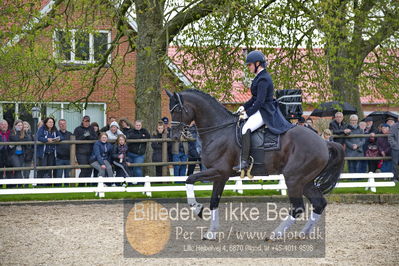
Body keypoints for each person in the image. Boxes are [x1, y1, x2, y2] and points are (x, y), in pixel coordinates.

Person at [233, 50, 293, 170]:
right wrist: (244, 107)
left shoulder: (264, 79)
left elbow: (259, 101)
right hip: (261, 108)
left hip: (265, 111)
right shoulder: (259, 77)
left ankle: (245, 162)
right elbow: (254, 99)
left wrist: (248, 114)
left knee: (246, 128)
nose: (248, 67)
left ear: (257, 64)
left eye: (249, 65)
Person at [73, 116, 98, 183]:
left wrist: (89, 136)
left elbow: (95, 138)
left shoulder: (91, 129)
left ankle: (88, 184)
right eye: (85, 121)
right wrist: (84, 136)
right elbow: (75, 140)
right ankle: (81, 184)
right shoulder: (77, 129)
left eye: (88, 121)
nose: (87, 123)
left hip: (90, 152)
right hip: (81, 153)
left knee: (90, 169)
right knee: (84, 169)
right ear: (82, 121)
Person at [37, 117, 60, 186]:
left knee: (50, 168)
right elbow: (39, 137)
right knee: (43, 168)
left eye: (52, 122)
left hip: (52, 152)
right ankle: (40, 184)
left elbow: (61, 136)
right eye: (50, 122)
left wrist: (57, 139)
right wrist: (47, 140)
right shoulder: (42, 129)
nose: (51, 123)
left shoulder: (55, 130)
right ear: (46, 123)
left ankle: (48, 184)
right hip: (44, 152)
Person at [9, 120, 31, 188]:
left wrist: (20, 139)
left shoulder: (24, 133)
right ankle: (20, 183)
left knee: (19, 169)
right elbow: (15, 139)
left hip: (21, 153)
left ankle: (17, 185)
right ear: (15, 126)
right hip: (13, 154)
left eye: (21, 125)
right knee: (18, 167)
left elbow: (28, 139)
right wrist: (20, 137)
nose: (20, 127)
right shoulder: (12, 132)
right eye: (18, 125)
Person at [56, 119, 72, 185]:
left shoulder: (70, 134)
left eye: (64, 123)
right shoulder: (56, 134)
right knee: (58, 175)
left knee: (67, 176)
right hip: (59, 158)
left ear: (66, 124)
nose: (62, 125)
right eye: (61, 124)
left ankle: (67, 189)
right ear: (59, 125)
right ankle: (57, 189)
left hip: (68, 158)